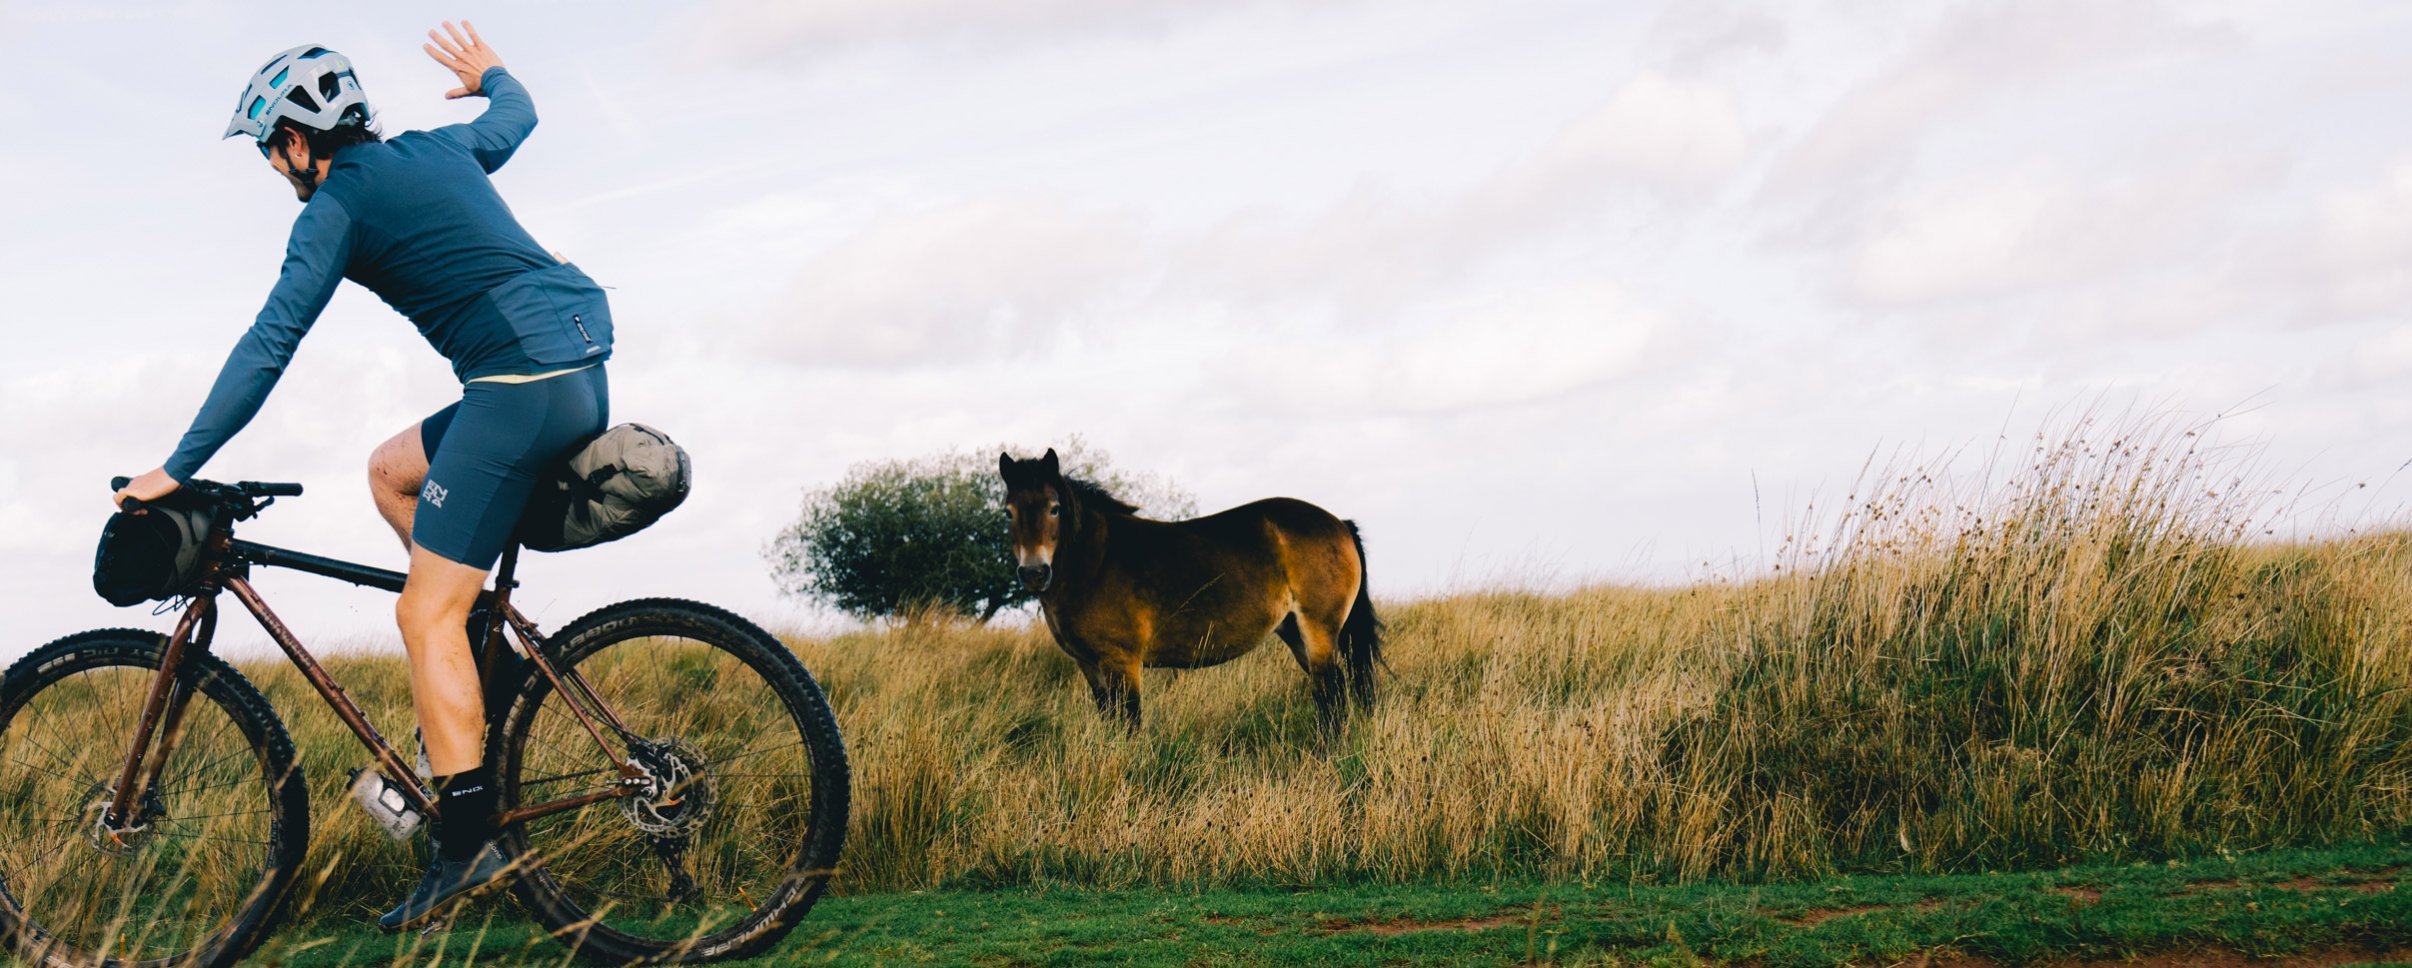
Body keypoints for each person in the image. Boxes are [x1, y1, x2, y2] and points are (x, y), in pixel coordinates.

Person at [112, 23, 614, 930]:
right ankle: (468, 660)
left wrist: (174, 468)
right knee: (391, 473)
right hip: (574, 368)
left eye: (272, 150)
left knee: (420, 611)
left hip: (518, 388)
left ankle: (466, 841)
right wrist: (492, 73)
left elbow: (270, 344)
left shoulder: (333, 210)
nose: (274, 168)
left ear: (298, 141)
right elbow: (517, 115)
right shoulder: (439, 148)